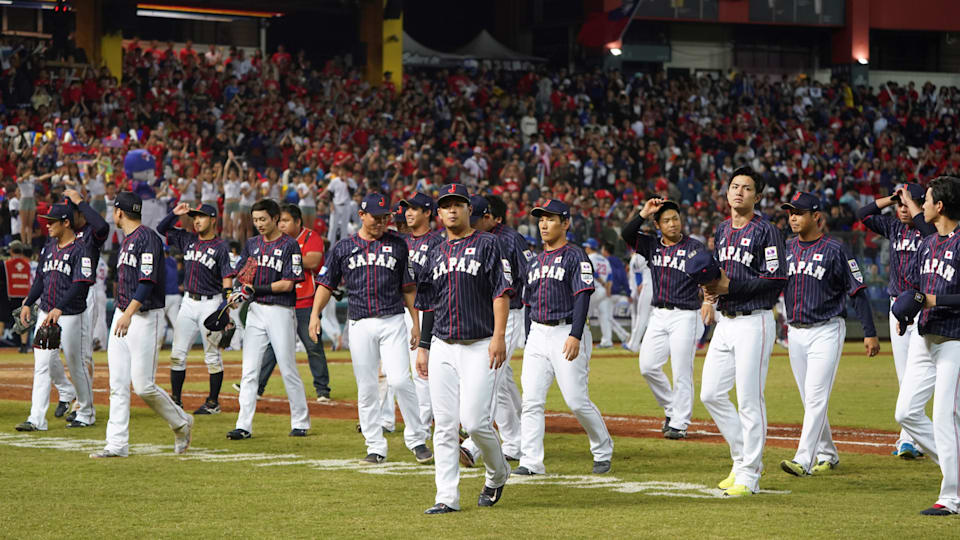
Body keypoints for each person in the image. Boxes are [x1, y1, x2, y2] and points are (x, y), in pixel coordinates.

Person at [309, 192, 432, 464]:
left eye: (385, 217)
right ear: (361, 215)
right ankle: (375, 445)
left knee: (400, 379)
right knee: (367, 388)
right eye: (376, 217)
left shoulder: (398, 245)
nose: (381, 222)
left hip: (392, 319)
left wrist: (416, 323)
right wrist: (315, 314)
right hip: (360, 323)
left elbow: (409, 288)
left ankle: (417, 438)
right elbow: (326, 283)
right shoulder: (343, 247)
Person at [414, 183, 512, 514]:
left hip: (481, 343)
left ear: (470, 209)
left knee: (474, 422)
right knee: (443, 425)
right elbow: (427, 304)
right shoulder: (434, 253)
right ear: (438, 213)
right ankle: (447, 497)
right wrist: (424, 347)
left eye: (458, 204)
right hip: (443, 344)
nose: (452, 210)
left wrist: (499, 336)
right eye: (446, 205)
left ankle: (498, 473)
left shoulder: (489, 244)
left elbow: (501, 292)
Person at [776, 192, 880, 477]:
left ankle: (802, 459)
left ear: (816, 217)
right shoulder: (786, 249)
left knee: (816, 397)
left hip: (827, 329)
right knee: (809, 399)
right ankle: (828, 453)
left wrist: (870, 332)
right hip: (796, 332)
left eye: (799, 212)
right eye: (790, 212)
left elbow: (857, 291)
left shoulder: (836, 249)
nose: (793, 217)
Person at [698, 167, 787, 497]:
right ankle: (743, 459)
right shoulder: (722, 229)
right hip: (726, 320)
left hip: (756, 321)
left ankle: (749, 474)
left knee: (750, 399)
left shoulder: (768, 231)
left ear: (757, 196)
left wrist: (729, 286)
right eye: (734, 186)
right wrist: (710, 293)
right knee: (710, 393)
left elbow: (777, 279)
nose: (739, 192)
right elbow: (717, 273)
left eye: (746, 188)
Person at [90, 191, 193, 458]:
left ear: (119, 212)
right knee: (118, 383)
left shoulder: (146, 238)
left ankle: (181, 422)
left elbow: (147, 281)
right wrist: (123, 314)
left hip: (144, 316)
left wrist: (128, 313)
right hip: (124, 315)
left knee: (144, 386)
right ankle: (116, 444)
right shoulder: (127, 241)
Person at [514, 199, 613, 476]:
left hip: (566, 330)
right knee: (531, 400)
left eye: (550, 218)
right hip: (538, 333)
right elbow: (528, 303)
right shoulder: (533, 261)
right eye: (541, 219)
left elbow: (582, 296)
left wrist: (575, 334)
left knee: (576, 400)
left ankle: (602, 447)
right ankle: (531, 461)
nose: (544, 224)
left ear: (566, 223)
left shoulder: (576, 255)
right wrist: (528, 334)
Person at [894, 175, 960, 516]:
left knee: (945, 417)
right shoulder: (928, 244)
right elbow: (918, 290)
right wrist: (907, 314)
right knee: (905, 412)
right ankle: (956, 471)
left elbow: (932, 295)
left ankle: (952, 497)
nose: (922, 205)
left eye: (928, 198)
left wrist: (932, 299)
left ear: (940, 206)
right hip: (924, 337)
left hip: (954, 339)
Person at [855, 183, 936, 458]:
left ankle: (916, 437)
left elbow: (926, 228)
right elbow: (863, 214)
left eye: (908, 203)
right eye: (900, 204)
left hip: (924, 308)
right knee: (905, 375)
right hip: (897, 307)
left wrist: (911, 205)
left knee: (920, 374)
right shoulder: (894, 228)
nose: (903, 208)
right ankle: (909, 439)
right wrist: (891, 199)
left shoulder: (931, 229)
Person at [621, 198, 707, 439]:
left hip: (686, 315)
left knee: (681, 370)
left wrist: (709, 302)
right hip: (658, 314)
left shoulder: (695, 248)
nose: (672, 224)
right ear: (657, 224)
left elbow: (709, 277)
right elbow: (626, 233)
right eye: (667, 220)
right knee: (647, 366)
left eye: (676, 219)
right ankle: (671, 407)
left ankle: (680, 422)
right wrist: (644, 213)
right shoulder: (651, 245)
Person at [227, 199, 311, 440]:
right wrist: (237, 293)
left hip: (280, 312)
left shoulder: (289, 245)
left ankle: (300, 421)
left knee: (287, 368)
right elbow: (243, 275)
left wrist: (254, 289)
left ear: (275, 218)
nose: (259, 224)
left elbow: (288, 283)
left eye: (263, 219)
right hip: (256, 311)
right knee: (249, 370)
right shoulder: (252, 244)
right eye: (255, 220)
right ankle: (243, 425)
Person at [14, 203, 95, 431]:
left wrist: (59, 307)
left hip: (71, 315)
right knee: (41, 365)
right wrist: (28, 302)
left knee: (76, 364)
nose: (47, 225)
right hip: (46, 311)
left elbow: (81, 284)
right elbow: (40, 278)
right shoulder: (48, 246)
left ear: (66, 222)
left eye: (52, 221)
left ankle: (86, 411)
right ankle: (36, 419)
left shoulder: (81, 249)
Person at [460, 194, 528, 465]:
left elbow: (529, 276)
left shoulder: (511, 239)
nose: (473, 225)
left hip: (510, 312)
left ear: (490, 217)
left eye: (476, 220)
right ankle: (515, 439)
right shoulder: (475, 240)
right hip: (486, 314)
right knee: (503, 380)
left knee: (492, 373)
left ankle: (472, 445)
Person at [157, 202, 236, 415]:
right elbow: (161, 229)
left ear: (213, 219)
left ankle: (213, 403)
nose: (196, 220)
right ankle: (176, 400)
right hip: (188, 303)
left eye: (201, 216)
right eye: (194, 217)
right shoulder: (187, 239)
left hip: (211, 302)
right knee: (177, 354)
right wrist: (174, 213)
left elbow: (227, 276)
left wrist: (226, 304)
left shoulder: (221, 246)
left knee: (212, 356)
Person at [254, 204, 332, 402]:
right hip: (283, 302)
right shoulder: (276, 241)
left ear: (298, 221)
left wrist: (287, 257)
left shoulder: (310, 237)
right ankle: (257, 387)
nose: (281, 225)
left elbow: (314, 261)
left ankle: (322, 390)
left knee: (313, 345)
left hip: (307, 300)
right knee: (273, 346)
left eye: (286, 221)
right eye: (279, 221)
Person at [62, 189, 109, 423]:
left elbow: (102, 226)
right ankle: (75, 397)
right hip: (66, 294)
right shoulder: (64, 234)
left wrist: (81, 202)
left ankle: (83, 405)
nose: (68, 218)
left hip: (87, 292)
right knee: (65, 354)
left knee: (83, 354)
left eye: (73, 213)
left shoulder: (90, 233)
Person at [397, 192, 443, 429]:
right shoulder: (401, 241)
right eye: (407, 209)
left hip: (428, 307)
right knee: (398, 372)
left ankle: (424, 426)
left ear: (427, 213)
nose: (409, 213)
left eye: (415, 209)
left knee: (422, 371)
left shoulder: (437, 242)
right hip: (402, 310)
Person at [582, 238, 614, 347]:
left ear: (590, 247)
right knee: (604, 316)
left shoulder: (589, 257)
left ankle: (583, 340)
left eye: (586, 246)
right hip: (604, 291)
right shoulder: (604, 259)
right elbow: (610, 276)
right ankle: (607, 341)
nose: (585, 248)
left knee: (584, 315)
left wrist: (603, 284)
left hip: (594, 290)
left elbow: (593, 273)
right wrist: (607, 289)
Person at [2, 241, 32, 353]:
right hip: (24, 296)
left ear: (11, 250)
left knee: (1, 320)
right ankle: (24, 345)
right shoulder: (28, 264)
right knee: (23, 320)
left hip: (9, 295)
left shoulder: (6, 264)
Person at [624, 247, 653, 352]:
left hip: (644, 288)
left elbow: (638, 277)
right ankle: (644, 344)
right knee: (651, 318)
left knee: (641, 318)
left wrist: (637, 292)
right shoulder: (659, 254)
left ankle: (634, 344)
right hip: (656, 288)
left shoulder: (638, 256)